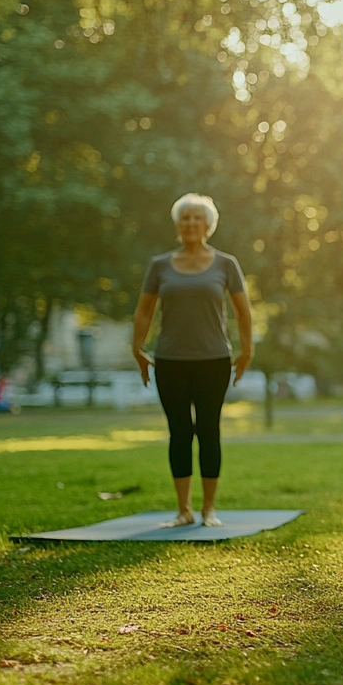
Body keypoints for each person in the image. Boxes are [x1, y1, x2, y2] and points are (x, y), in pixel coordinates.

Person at [131, 194, 253, 527]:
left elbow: (243, 312)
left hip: (213, 359)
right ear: (177, 224)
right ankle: (184, 510)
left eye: (197, 218)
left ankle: (209, 510)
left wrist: (246, 351)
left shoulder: (226, 264)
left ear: (209, 225)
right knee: (180, 432)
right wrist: (137, 348)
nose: (190, 223)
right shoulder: (160, 265)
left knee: (209, 431)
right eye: (185, 218)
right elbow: (144, 311)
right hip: (169, 360)